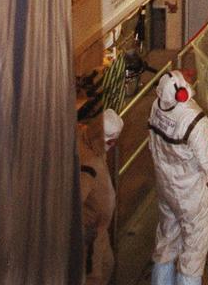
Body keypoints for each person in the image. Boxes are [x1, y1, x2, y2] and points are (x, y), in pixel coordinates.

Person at [148, 70, 208, 285]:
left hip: (165, 186)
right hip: (190, 193)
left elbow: (153, 145)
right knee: (194, 248)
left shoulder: (157, 106)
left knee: (167, 239)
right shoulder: (194, 118)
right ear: (181, 92)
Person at [78, 108, 124, 285]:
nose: (112, 146)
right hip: (90, 233)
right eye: (111, 142)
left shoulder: (90, 140)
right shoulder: (88, 166)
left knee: (107, 265)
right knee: (94, 276)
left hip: (99, 230)